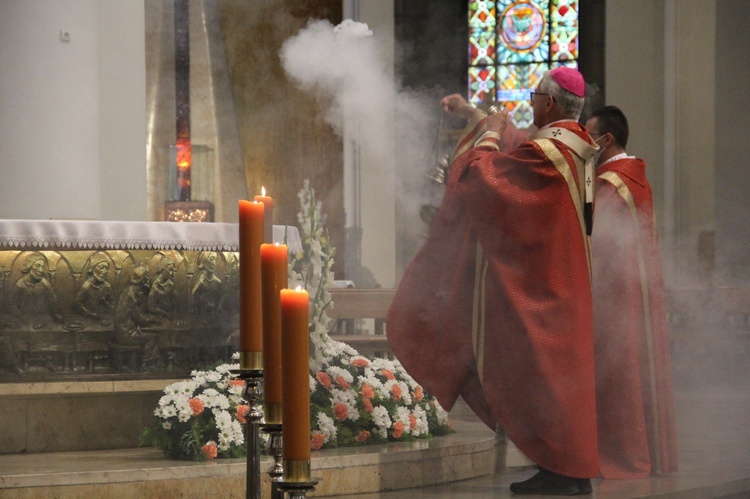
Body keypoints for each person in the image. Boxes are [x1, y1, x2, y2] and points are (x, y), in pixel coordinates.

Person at [387, 67, 599, 495]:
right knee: (555, 382)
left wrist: (489, 132)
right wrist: (477, 115)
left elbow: (485, 177)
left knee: (548, 381)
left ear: (551, 104)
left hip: (544, 290)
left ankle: (566, 475)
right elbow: (519, 146)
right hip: (561, 282)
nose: (531, 101)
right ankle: (564, 473)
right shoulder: (569, 144)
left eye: (536, 95)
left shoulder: (550, 152)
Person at [585, 105, 679, 478]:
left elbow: (592, 237)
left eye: (590, 136)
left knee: (618, 375)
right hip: (631, 295)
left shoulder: (612, 183)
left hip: (614, 298)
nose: (585, 144)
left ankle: (622, 454)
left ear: (607, 140)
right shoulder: (634, 176)